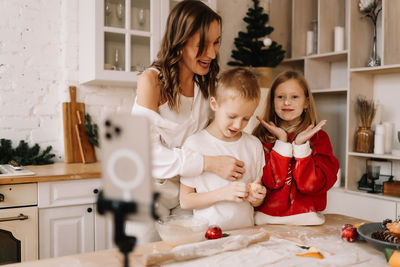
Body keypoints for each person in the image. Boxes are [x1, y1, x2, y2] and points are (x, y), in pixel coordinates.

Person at [130, 1, 245, 241]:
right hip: (144, 197)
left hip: (187, 193)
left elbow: (220, 134)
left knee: (186, 257)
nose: (212, 53)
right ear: (180, 40)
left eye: (216, 42)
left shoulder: (206, 86)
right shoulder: (151, 81)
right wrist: (210, 163)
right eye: (203, 44)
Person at [180, 67, 267, 230]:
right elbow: (186, 201)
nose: (238, 125)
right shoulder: (194, 144)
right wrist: (223, 193)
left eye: (246, 119)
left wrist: (257, 198)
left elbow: (256, 191)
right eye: (232, 116)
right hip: (207, 235)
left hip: (246, 232)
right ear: (214, 104)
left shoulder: (254, 145)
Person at [252, 70, 339, 226]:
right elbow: (272, 182)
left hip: (308, 221)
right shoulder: (260, 137)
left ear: (306, 102)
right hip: (265, 221)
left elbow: (311, 186)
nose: (286, 102)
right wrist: (282, 143)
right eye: (280, 97)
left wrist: (300, 148)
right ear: (272, 102)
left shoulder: (320, 139)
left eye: (294, 97)